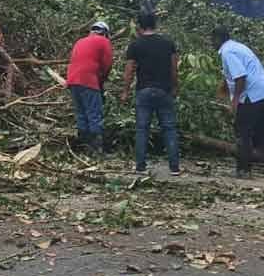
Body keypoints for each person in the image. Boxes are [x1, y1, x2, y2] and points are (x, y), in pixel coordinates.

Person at [212, 26, 264, 178]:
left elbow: (241, 77)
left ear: (217, 39)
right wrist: (224, 87)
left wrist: (235, 101)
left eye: (212, 40)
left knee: (243, 132)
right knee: (261, 130)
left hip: (252, 96)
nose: (211, 44)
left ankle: (244, 170)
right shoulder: (238, 46)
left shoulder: (227, 52)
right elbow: (235, 72)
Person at [120, 12, 180, 175]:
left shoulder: (135, 45)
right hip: (164, 90)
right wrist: (175, 87)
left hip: (144, 91)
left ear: (139, 26)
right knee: (169, 128)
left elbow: (129, 70)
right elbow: (174, 68)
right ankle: (174, 167)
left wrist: (125, 91)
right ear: (155, 25)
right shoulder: (168, 43)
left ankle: (140, 166)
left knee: (142, 129)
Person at [66, 21, 113, 153]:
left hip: (73, 80)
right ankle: (96, 149)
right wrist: (101, 81)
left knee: (81, 113)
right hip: (88, 80)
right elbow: (107, 64)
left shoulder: (79, 42)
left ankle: (82, 147)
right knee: (94, 114)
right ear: (105, 33)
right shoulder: (104, 41)